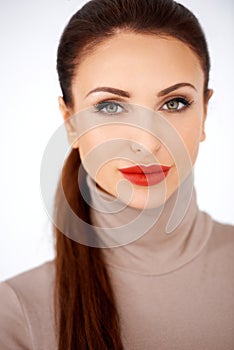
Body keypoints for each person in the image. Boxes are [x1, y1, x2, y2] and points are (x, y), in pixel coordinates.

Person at [0, 0, 233, 349]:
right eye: (110, 106)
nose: (147, 142)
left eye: (174, 103)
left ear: (204, 112)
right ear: (70, 122)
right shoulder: (14, 312)